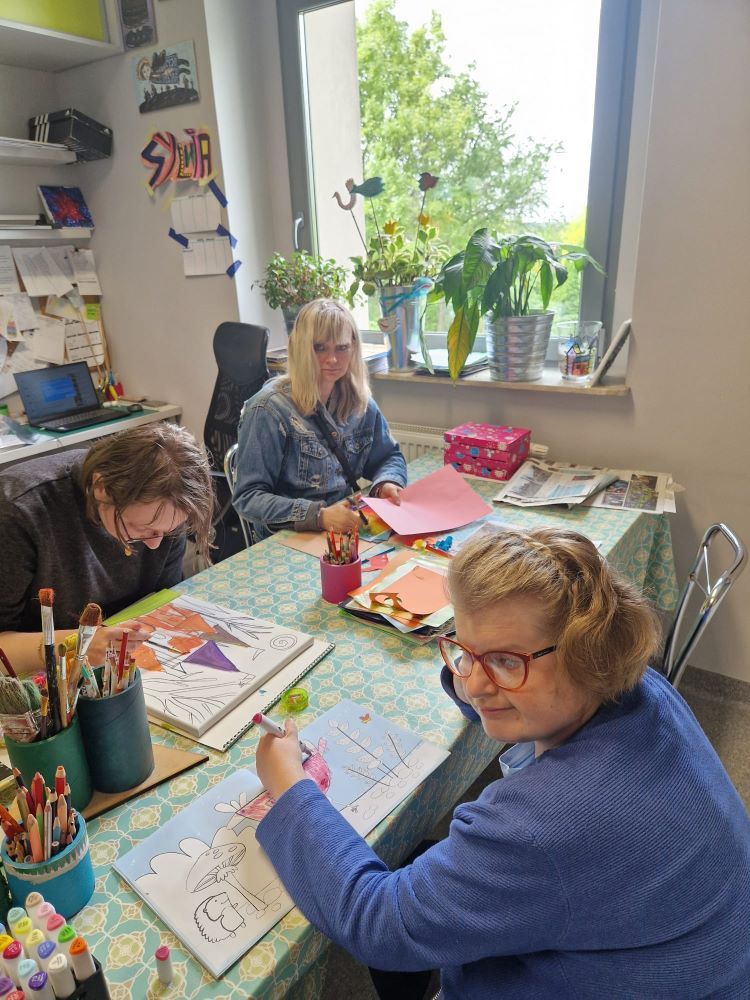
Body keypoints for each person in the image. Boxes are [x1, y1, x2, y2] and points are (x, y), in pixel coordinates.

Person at [255, 527, 750, 999]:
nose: (474, 684)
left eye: (507, 662)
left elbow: (379, 921)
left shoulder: (540, 827)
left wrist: (290, 786)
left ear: (588, 653)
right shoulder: (639, 684)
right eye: (465, 650)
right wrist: (485, 664)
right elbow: (496, 683)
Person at [0, 422, 213, 675]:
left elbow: (159, 601)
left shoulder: (165, 510)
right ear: (101, 487)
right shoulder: (17, 513)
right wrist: (74, 645)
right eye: (141, 528)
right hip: (36, 673)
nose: (156, 544)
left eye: (169, 531)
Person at [232, 298, 406, 541]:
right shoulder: (268, 409)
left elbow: (388, 456)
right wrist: (319, 516)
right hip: (289, 538)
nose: (332, 359)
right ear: (300, 348)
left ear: (353, 348)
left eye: (341, 348)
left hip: (344, 529)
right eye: (320, 348)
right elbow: (248, 498)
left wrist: (386, 483)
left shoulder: (360, 402)